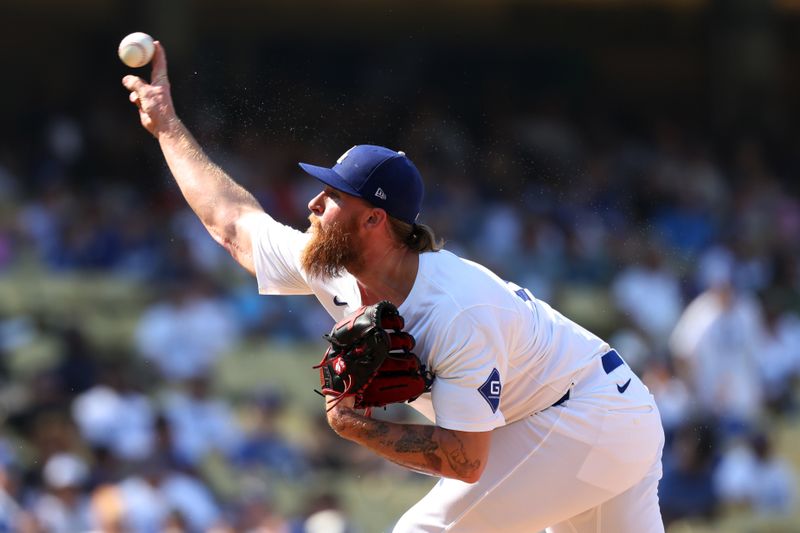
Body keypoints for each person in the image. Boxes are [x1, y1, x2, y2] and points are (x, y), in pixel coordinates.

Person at [122, 42, 666, 532]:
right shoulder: (331, 263)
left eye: (332, 196)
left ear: (374, 221)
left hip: (585, 415)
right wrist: (167, 124)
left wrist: (356, 427)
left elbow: (466, 462)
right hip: (592, 419)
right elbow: (233, 226)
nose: (313, 204)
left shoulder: (454, 309)